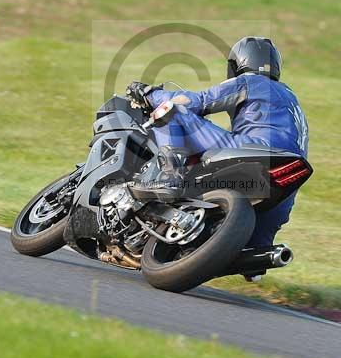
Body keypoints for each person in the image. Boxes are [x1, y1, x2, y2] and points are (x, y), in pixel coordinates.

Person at [125, 37, 308, 274]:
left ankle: (169, 174)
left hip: (255, 149)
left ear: (238, 62)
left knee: (172, 110)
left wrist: (150, 94)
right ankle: (255, 262)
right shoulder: (293, 103)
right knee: (255, 245)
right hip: (288, 178)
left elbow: (196, 102)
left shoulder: (251, 81)